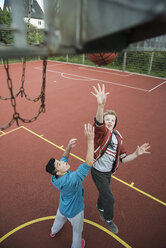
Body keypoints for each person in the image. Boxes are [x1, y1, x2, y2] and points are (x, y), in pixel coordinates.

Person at [91, 83, 150, 234]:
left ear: (115, 123)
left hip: (107, 172)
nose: (109, 121)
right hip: (97, 171)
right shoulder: (102, 133)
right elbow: (98, 122)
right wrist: (100, 106)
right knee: (110, 199)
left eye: (112, 120)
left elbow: (123, 159)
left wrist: (136, 154)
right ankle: (109, 219)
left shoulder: (117, 137)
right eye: (107, 119)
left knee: (104, 194)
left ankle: (100, 206)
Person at [46, 123, 94, 248]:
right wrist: (90, 140)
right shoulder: (72, 180)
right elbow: (89, 162)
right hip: (75, 212)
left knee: (59, 220)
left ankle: (53, 231)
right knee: (77, 232)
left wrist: (68, 148)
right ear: (59, 171)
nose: (61, 162)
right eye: (59, 164)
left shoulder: (55, 178)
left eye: (58, 161)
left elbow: (64, 158)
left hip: (62, 207)